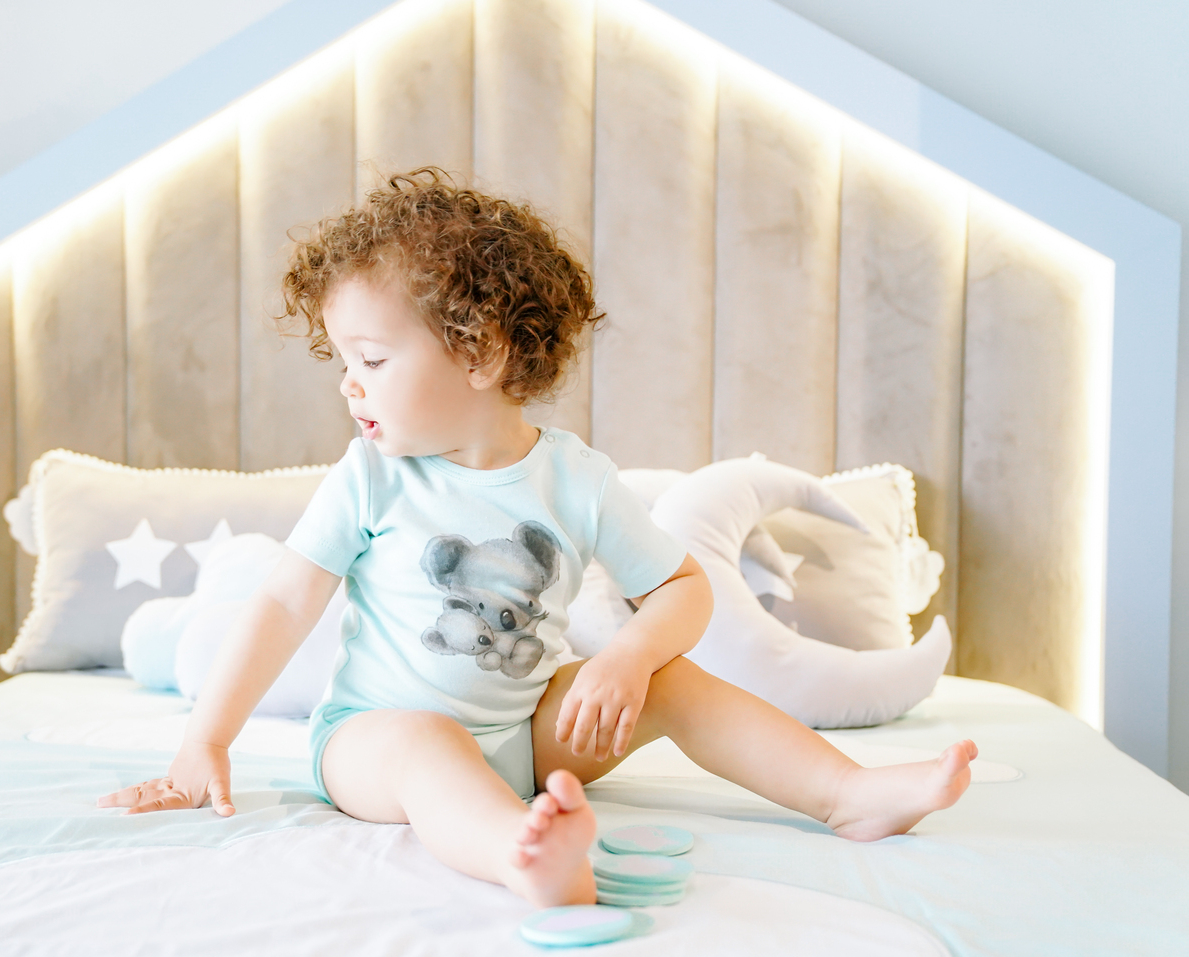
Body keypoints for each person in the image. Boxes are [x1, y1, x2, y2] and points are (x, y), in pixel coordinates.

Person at [99, 169, 977, 908]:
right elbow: (285, 604)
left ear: (477, 353)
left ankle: (846, 792)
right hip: (372, 744)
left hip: (522, 738)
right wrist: (207, 740)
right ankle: (521, 857)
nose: (348, 387)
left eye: (372, 360)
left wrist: (628, 656)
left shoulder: (576, 480)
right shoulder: (372, 476)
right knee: (427, 742)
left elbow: (683, 589)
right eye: (344, 363)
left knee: (671, 680)